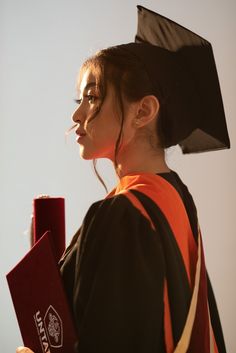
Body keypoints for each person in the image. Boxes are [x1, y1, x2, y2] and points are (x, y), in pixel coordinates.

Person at [16, 5, 230, 353]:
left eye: (92, 97)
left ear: (143, 111)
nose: (77, 114)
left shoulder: (122, 216)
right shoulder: (176, 199)